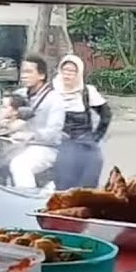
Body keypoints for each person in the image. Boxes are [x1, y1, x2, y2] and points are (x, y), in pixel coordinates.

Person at [51, 54, 111, 187]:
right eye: (64, 70)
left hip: (85, 141)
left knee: (94, 166)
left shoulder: (86, 92)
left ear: (79, 73)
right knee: (65, 176)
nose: (67, 75)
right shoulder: (52, 92)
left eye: (72, 71)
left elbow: (106, 114)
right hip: (61, 142)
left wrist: (96, 136)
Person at [9, 53, 65, 190]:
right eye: (22, 72)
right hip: (17, 144)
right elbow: (6, 112)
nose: (23, 75)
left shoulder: (54, 99)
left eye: (28, 72)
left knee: (19, 165)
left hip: (45, 147)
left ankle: (27, 200)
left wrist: (32, 135)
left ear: (41, 75)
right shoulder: (20, 94)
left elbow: (54, 132)